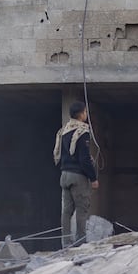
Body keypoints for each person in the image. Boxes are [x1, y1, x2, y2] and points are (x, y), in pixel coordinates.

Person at [53, 101, 99, 248]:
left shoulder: (64, 130)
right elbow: (84, 159)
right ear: (81, 114)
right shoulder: (82, 131)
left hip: (64, 175)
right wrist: (93, 178)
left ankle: (65, 243)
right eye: (85, 112)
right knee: (82, 209)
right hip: (78, 176)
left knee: (66, 211)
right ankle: (80, 242)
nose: (87, 114)